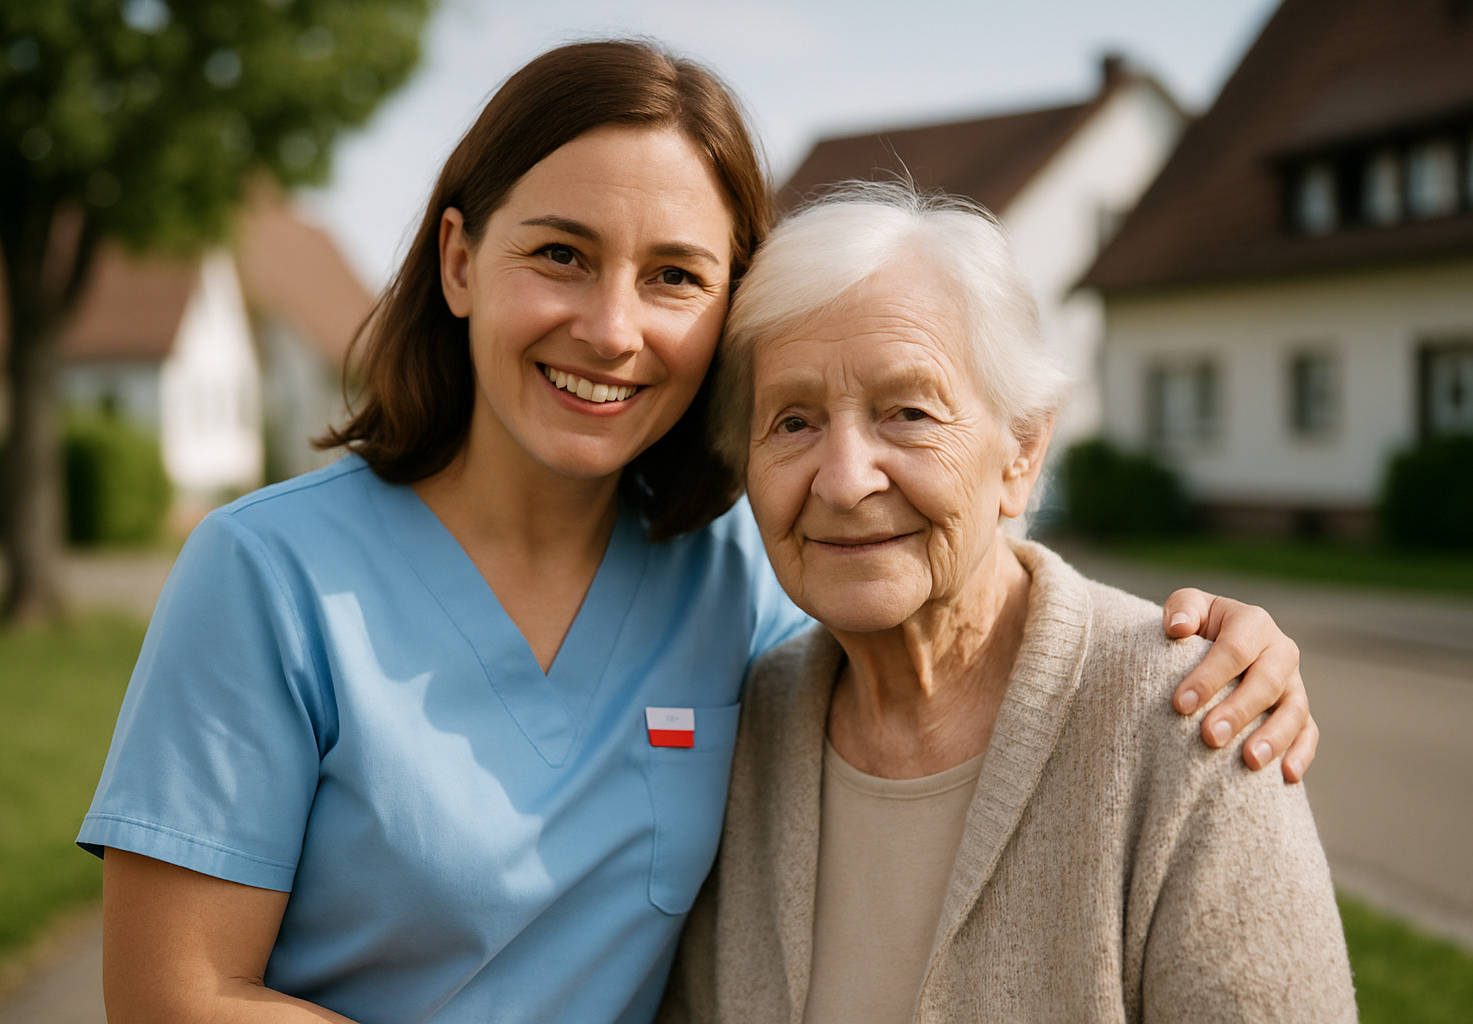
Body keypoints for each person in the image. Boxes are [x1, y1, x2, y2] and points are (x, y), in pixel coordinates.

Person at [78, 41, 1320, 1024]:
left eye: (674, 275)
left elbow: (947, 575)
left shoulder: (752, 579)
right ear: (459, 260)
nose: (613, 329)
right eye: (560, 254)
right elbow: (174, 995)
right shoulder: (268, 576)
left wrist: (1213, 644)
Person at [660, 183, 1355, 1023]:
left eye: (907, 412)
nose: (843, 481)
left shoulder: (1193, 717)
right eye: (793, 422)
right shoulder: (751, 727)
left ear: (1021, 450)